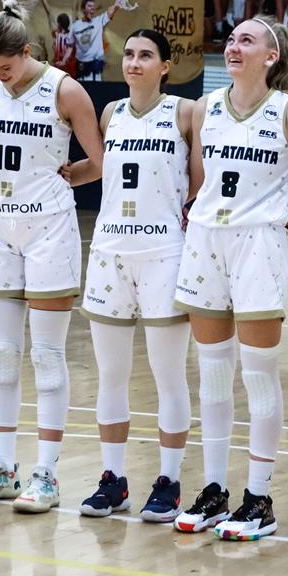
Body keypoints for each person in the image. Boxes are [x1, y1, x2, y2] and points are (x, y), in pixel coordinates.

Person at [171, 17, 288, 541]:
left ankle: (259, 498)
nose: (233, 46)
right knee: (213, 374)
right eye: (231, 39)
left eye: (247, 40)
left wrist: (282, 218)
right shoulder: (205, 108)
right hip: (206, 242)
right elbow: (200, 184)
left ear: (271, 56)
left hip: (258, 247)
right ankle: (215, 490)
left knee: (258, 376)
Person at [0, 0, 105, 513]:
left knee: (46, 356)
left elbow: (101, 158)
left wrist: (75, 175)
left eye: (5, 67)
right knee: (2, 353)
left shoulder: (65, 89)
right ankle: (3, 467)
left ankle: (46, 473)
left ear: (27, 52)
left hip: (50, 230)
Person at [78, 30, 202, 522]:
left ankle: (169, 481)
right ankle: (113, 480)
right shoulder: (111, 114)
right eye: (129, 54)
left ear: (165, 66)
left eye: (145, 55)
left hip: (163, 254)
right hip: (110, 251)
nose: (133, 62)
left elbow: (198, 180)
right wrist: (62, 176)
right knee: (110, 374)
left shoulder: (185, 113)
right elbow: (103, 169)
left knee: (168, 374)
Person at [70, 0, 122, 82]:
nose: (92, 8)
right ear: (83, 9)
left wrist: (117, 3)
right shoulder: (76, 26)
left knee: (95, 88)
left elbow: (110, 12)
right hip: (81, 67)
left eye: (93, 7)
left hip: (95, 66)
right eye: (89, 6)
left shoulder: (98, 21)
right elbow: (74, 12)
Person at [37, 0, 78, 78]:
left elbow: (48, 13)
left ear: (59, 24)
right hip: (70, 71)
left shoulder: (57, 34)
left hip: (58, 71)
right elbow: (74, 10)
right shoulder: (72, 34)